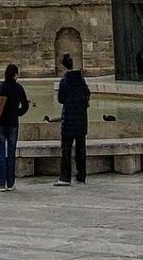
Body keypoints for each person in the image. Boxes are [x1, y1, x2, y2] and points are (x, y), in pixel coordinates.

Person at [0, 62, 30, 191]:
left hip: (0, 122)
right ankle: (10, 183)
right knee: (11, 153)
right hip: (12, 123)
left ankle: (1, 183)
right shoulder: (18, 88)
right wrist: (17, 113)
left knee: (1, 153)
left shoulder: (0, 86)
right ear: (15, 74)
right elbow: (25, 105)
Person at [54, 52, 91, 186]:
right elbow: (87, 93)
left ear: (64, 66)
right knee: (81, 148)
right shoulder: (81, 79)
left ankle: (65, 177)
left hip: (69, 119)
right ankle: (81, 175)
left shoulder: (64, 81)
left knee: (66, 149)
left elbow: (60, 99)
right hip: (81, 118)